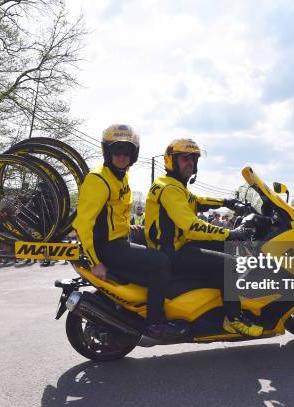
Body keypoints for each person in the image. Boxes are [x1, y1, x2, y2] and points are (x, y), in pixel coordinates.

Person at [73, 124, 186, 339]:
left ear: (134, 154)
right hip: (109, 247)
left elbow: (114, 215)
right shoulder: (98, 179)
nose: (122, 155)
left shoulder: (119, 175)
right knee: (160, 262)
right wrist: (96, 261)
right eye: (117, 150)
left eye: (127, 151)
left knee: (162, 239)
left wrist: (135, 229)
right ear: (107, 151)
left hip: (120, 237)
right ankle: (155, 323)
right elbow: (83, 224)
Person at [145, 138, 262, 337]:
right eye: (184, 158)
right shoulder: (170, 189)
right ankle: (233, 318)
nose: (190, 163)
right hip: (172, 252)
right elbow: (191, 226)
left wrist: (228, 202)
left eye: (193, 159)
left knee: (222, 249)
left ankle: (213, 304)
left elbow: (196, 201)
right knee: (230, 264)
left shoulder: (173, 185)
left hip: (174, 246)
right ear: (171, 161)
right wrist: (231, 233)